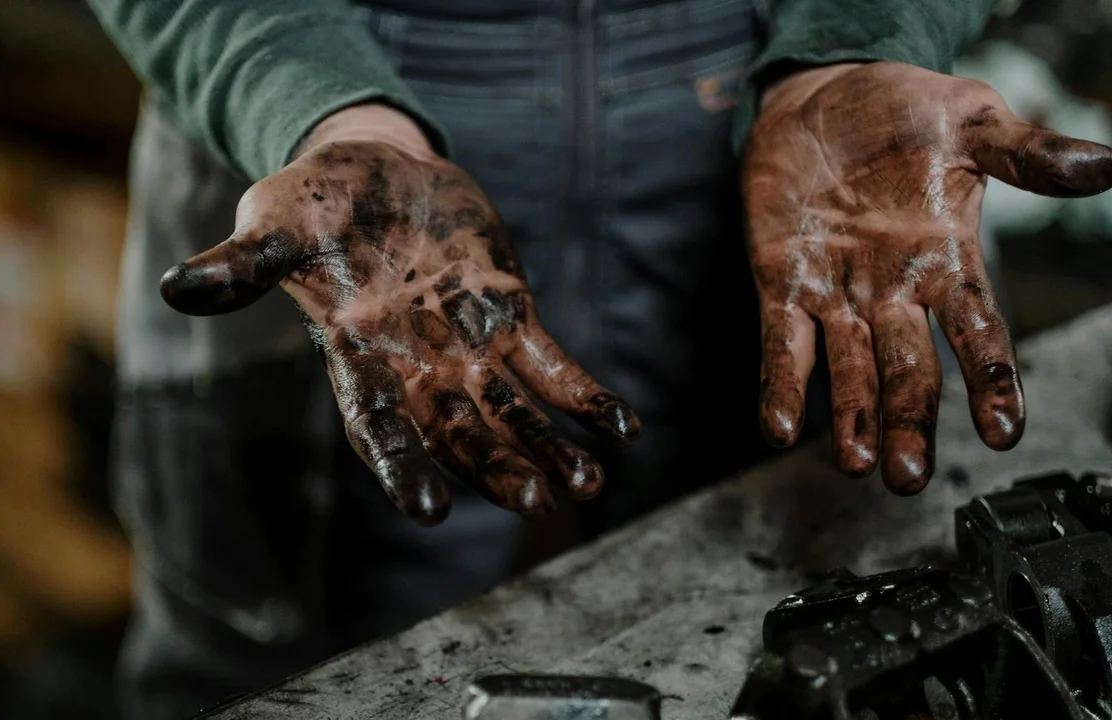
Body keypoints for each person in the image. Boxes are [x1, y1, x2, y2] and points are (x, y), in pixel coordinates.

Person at [83, 1, 1112, 718]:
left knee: (884, 631)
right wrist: (312, 103)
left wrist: (859, 42)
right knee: (283, 676)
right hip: (334, 182)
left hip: (812, 151)